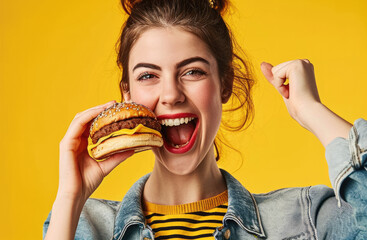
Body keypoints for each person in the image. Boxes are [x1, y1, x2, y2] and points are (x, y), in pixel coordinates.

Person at [43, 0, 367, 239]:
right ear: (127, 94)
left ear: (224, 84)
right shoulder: (82, 224)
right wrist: (70, 196)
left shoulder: (307, 219)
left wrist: (312, 111)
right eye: (148, 76)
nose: (170, 94)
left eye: (192, 71)